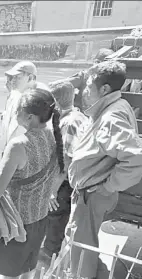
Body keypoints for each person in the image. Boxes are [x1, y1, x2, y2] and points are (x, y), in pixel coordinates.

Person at [0, 88, 62, 279]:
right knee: (29, 260)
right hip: (40, 214)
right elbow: (61, 172)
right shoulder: (54, 136)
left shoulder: (19, 145)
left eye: (18, 111)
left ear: (30, 117)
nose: (14, 114)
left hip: (16, 220)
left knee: (11, 265)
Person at [67, 60, 142, 279]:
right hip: (94, 192)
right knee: (87, 241)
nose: (84, 90)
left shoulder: (110, 118)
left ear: (104, 89)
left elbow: (137, 157)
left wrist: (108, 186)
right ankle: (90, 276)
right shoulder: (116, 106)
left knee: (81, 245)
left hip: (93, 194)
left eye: (88, 86)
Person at [42, 81, 87, 258]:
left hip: (64, 183)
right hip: (72, 180)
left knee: (55, 217)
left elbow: (65, 160)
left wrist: (52, 189)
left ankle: (48, 255)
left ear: (54, 101)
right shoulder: (79, 116)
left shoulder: (68, 123)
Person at [0, 61, 47, 168]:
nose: (13, 81)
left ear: (30, 78)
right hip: (9, 151)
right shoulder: (16, 94)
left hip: (25, 156)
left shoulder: (40, 99)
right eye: (12, 77)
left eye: (17, 77)